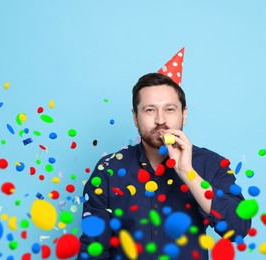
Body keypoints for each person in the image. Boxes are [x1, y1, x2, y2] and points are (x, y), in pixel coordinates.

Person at [77, 73, 251, 259]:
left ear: (184, 115)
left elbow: (238, 228)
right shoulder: (109, 169)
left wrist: (187, 172)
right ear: (135, 117)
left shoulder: (211, 164)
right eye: (150, 110)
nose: (160, 120)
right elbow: (93, 249)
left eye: (169, 109)